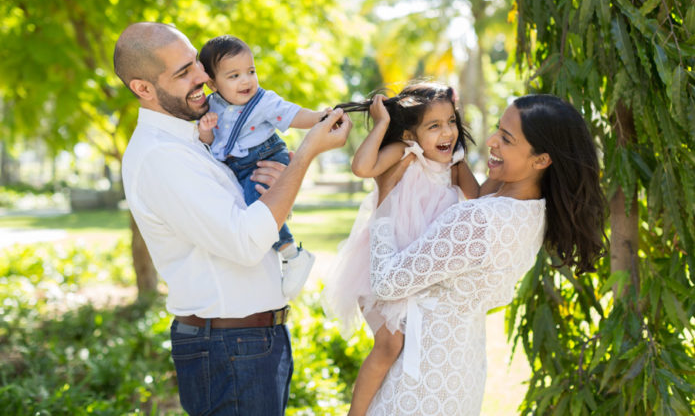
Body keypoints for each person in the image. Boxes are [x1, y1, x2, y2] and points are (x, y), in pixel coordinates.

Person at [113, 22, 351, 416]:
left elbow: (249, 218)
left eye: (196, 64)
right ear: (143, 88)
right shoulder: (162, 156)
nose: (203, 77)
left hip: (249, 343)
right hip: (229, 348)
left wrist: (278, 186)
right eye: (184, 71)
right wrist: (306, 155)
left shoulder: (195, 139)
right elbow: (243, 243)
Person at [362, 94, 607, 415]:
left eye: (506, 139)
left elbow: (386, 283)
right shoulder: (534, 214)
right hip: (462, 374)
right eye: (497, 130)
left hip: (420, 384)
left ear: (541, 160)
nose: (491, 141)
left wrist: (385, 198)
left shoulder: (478, 220)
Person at [321, 82, 480, 416]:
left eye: (451, 121)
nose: (447, 132)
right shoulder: (405, 153)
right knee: (390, 343)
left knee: (415, 345)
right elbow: (362, 168)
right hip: (378, 264)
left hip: (416, 273)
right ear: (410, 134)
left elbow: (479, 203)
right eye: (434, 126)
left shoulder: (455, 164)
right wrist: (381, 124)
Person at [197, 35, 325, 299]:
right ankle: (287, 255)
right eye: (233, 76)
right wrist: (206, 130)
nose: (246, 81)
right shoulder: (211, 106)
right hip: (237, 165)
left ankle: (292, 253)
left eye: (251, 71)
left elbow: (292, 114)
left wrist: (320, 118)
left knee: (260, 202)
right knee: (249, 209)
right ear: (212, 83)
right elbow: (211, 143)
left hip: (267, 156)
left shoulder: (263, 101)